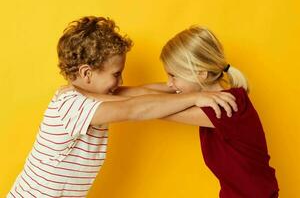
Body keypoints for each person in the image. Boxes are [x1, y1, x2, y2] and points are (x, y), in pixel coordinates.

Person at [7, 17, 236, 198]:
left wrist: (187, 88)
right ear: (87, 73)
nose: (121, 81)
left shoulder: (92, 95)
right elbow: (134, 108)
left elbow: (141, 92)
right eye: (116, 74)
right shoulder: (71, 105)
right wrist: (194, 98)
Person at [114, 26, 279, 197]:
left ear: (201, 74)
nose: (169, 83)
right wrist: (102, 92)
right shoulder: (200, 93)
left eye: (173, 75)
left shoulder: (226, 105)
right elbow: (145, 93)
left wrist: (109, 101)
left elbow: (154, 108)